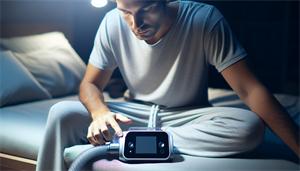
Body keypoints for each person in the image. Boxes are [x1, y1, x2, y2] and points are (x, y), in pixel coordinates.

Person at [36, 0, 300, 170]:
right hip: (132, 115)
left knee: (251, 127)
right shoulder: (111, 23)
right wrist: (100, 113)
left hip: (187, 116)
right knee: (61, 112)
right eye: (125, 12)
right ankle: (133, 140)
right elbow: (90, 84)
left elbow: (250, 90)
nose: (135, 24)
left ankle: (121, 145)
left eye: (146, 9)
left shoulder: (204, 20)